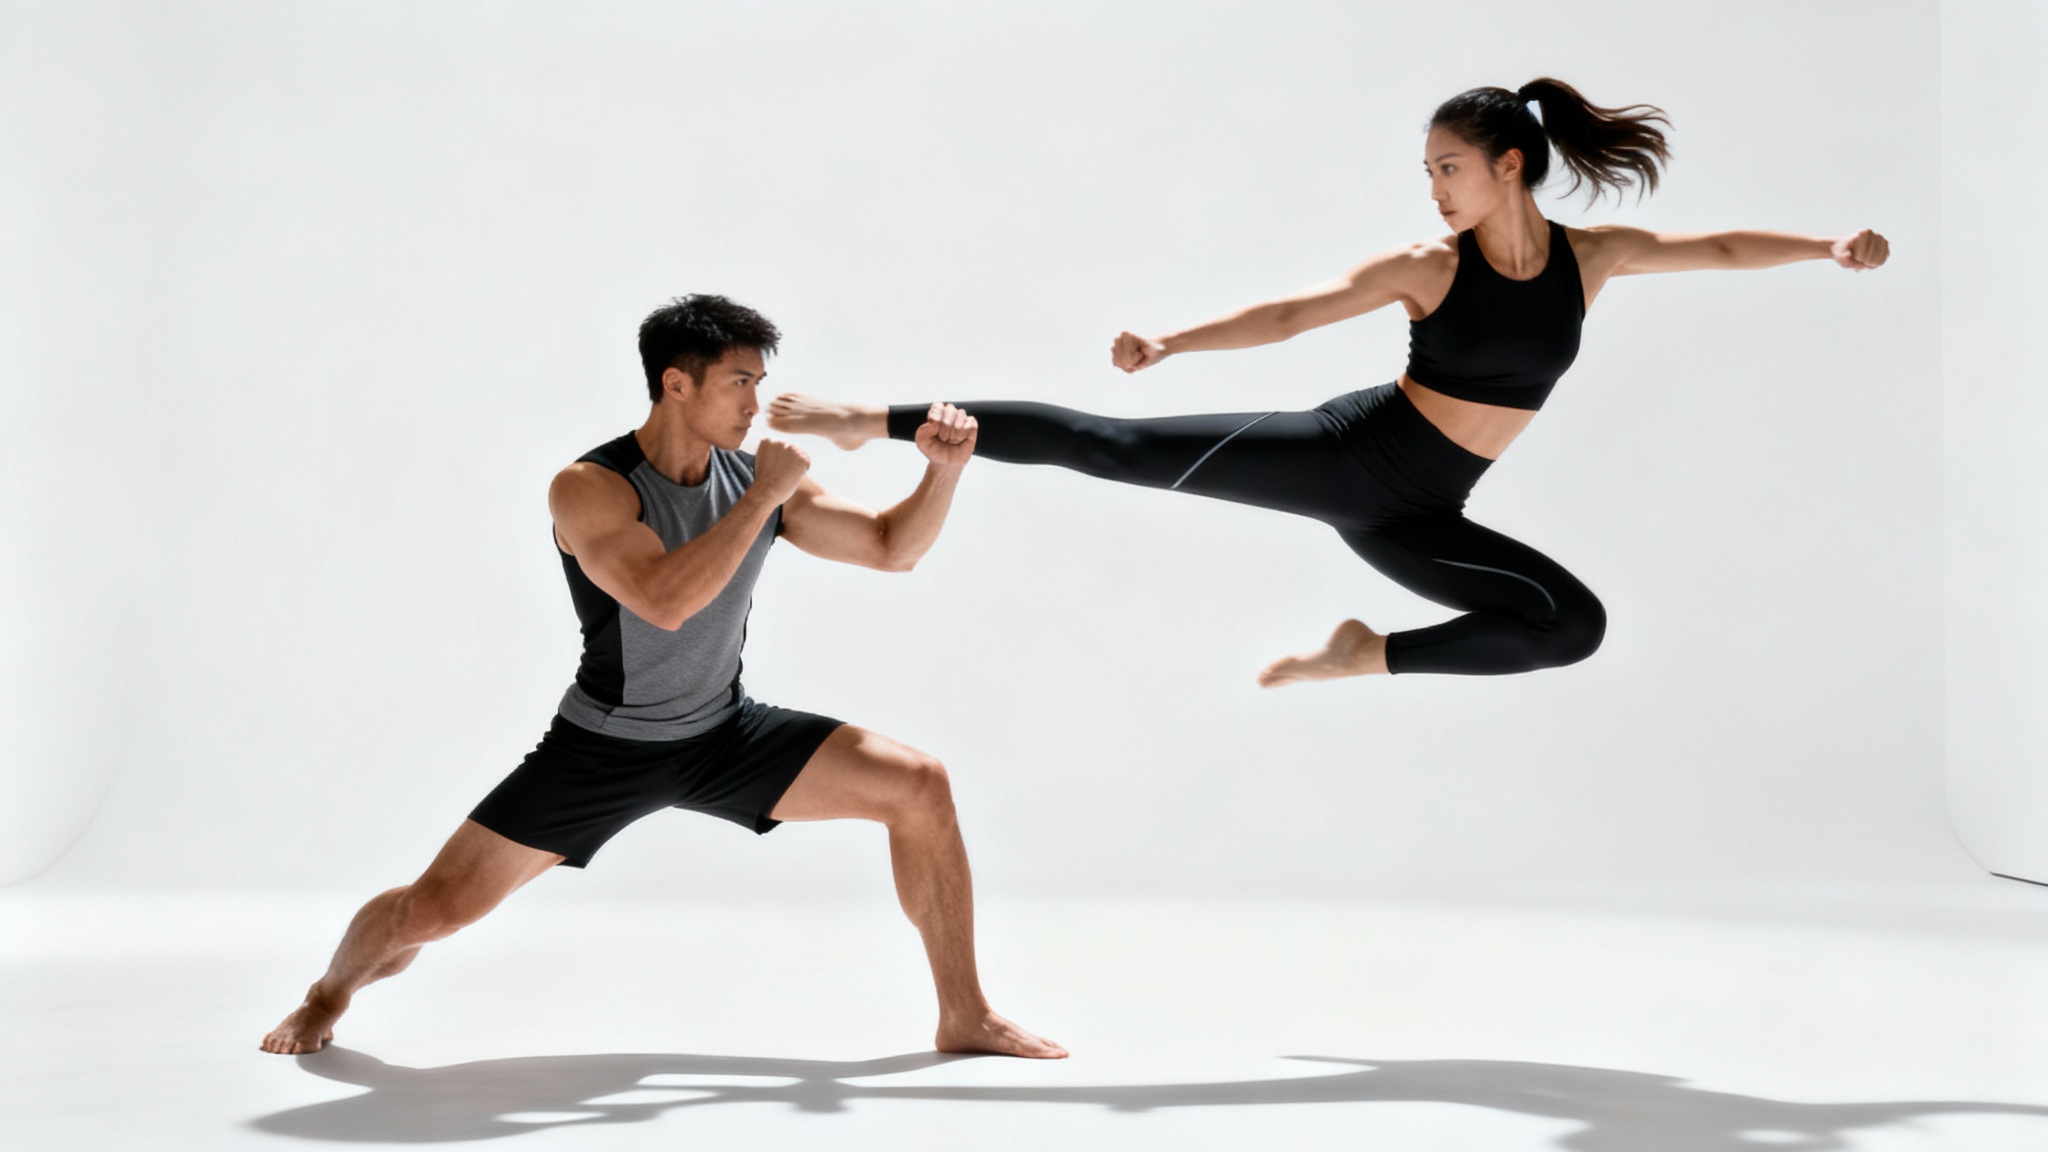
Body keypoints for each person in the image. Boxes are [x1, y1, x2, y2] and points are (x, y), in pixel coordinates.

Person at [768, 78, 1889, 686]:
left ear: (1506, 165)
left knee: (1568, 627)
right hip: (1347, 458)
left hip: (1420, 515)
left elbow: (1720, 248)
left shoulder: (1588, 262)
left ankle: (1364, 657)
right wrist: (1172, 342)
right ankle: (873, 419)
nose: (1434, 189)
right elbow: (1296, 313)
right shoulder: (1425, 267)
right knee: (1105, 444)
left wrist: (1825, 247)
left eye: (1446, 168)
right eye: (1425, 172)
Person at [261, 295, 1065, 1060]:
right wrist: (762, 500)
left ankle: (965, 1014)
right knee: (431, 911)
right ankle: (327, 994)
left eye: (758, 381)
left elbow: (895, 548)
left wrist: (944, 473)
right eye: (740, 382)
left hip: (723, 733)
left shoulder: (755, 477)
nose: (757, 403)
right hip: (604, 748)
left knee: (919, 784)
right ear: (676, 384)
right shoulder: (590, 487)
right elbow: (663, 601)